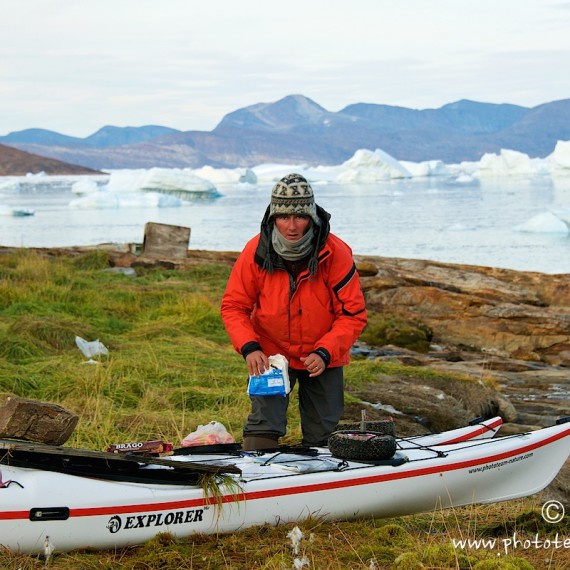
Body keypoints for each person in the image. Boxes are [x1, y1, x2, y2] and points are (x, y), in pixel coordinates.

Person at [220, 173, 367, 450]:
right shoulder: (256, 251)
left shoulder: (335, 253)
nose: (291, 226)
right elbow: (234, 306)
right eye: (284, 217)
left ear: (311, 216)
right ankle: (262, 482)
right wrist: (250, 347)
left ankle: (322, 487)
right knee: (261, 433)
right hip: (271, 354)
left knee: (324, 439)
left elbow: (353, 313)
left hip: (323, 356)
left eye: (299, 217)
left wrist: (325, 352)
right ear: (272, 217)